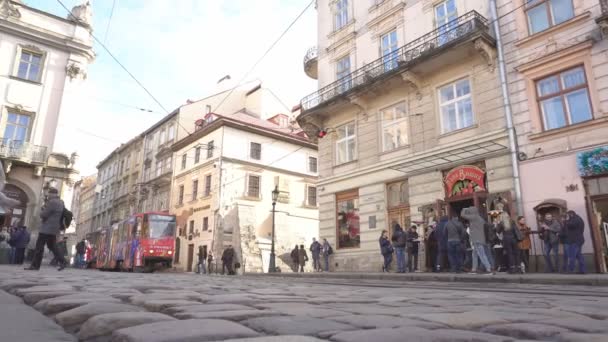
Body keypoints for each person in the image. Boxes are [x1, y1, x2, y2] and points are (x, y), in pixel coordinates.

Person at [26, 188, 68, 271]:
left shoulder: (52, 202)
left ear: (52, 194)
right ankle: (63, 261)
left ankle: (35, 265)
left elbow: (44, 215)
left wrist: (42, 210)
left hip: (46, 228)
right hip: (54, 228)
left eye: (49, 194)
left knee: (39, 247)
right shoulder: (61, 202)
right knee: (52, 246)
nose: (48, 195)